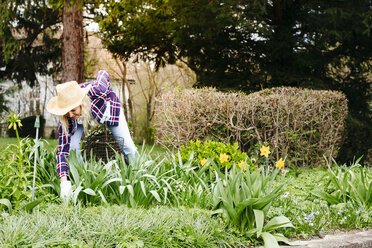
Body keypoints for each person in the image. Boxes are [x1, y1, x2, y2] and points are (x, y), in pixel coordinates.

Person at [46, 70, 137, 200]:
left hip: (108, 112)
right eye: (66, 111)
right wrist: (64, 183)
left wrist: (104, 88)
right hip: (83, 120)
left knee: (127, 145)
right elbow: (62, 152)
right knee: (71, 149)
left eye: (73, 110)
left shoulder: (96, 91)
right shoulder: (67, 119)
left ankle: (137, 176)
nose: (70, 115)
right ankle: (84, 180)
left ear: (81, 103)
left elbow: (103, 73)